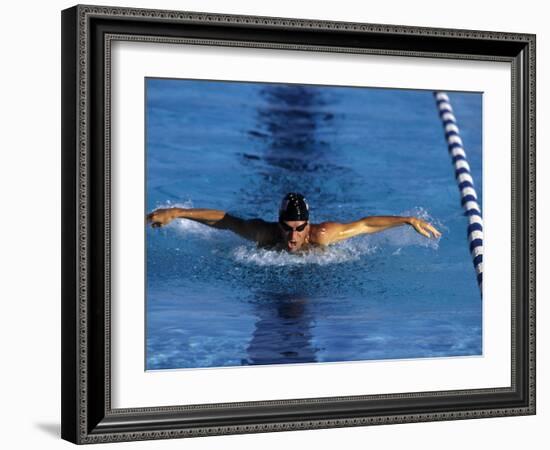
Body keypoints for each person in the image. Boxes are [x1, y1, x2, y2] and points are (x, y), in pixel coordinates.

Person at [146, 193, 441, 253]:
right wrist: (177, 212)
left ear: (308, 225)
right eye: (288, 227)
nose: (293, 235)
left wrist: (407, 219)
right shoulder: (265, 233)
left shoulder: (322, 236)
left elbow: (365, 225)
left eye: (300, 228)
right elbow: (225, 221)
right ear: (279, 224)